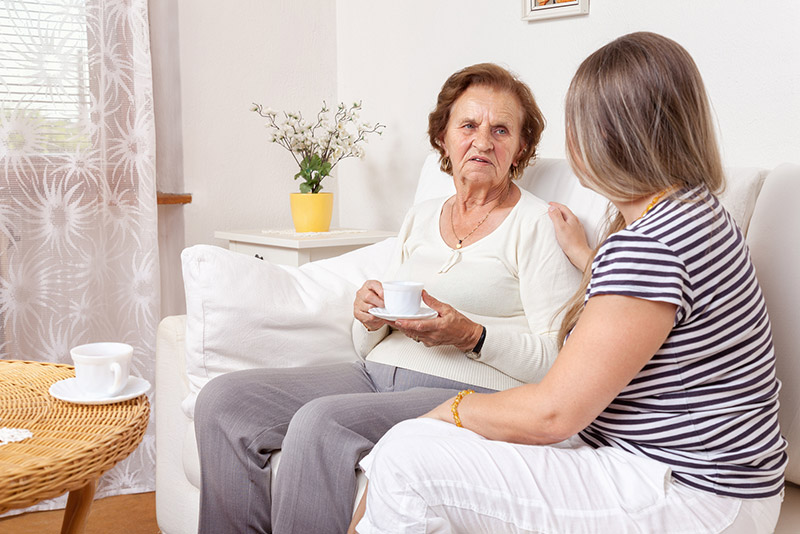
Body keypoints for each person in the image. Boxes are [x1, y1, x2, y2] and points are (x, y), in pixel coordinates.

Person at [351, 32, 788, 534]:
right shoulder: (689, 213)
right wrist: (587, 255)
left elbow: (552, 414)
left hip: (688, 492)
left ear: (609, 137)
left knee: (407, 457)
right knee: (407, 448)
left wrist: (450, 410)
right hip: (698, 474)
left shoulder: (651, 244)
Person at [193, 63, 580, 534]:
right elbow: (372, 337)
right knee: (225, 401)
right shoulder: (420, 217)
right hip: (374, 374)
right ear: (443, 137)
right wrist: (368, 317)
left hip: (464, 392)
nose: (483, 141)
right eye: (469, 125)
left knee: (321, 423)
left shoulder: (538, 224)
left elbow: (558, 363)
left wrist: (472, 336)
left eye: (501, 129)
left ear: (520, 149)